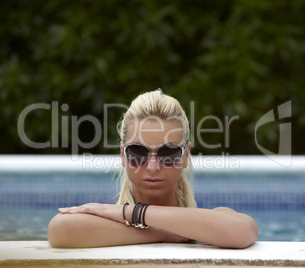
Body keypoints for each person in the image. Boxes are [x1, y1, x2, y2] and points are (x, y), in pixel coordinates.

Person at [48, 89, 258, 248]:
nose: (153, 166)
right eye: (138, 152)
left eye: (168, 153)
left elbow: (242, 231)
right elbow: (60, 230)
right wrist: (165, 233)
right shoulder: (202, 230)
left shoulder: (214, 220)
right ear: (123, 154)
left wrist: (131, 212)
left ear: (185, 156)